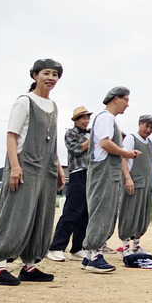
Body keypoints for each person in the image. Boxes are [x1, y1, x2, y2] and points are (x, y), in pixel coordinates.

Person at [0, 59, 67, 285]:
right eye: (46, 73)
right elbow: (12, 135)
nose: (51, 78)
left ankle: (30, 265)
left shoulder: (54, 106)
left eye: (55, 75)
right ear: (34, 75)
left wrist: (59, 168)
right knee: (17, 213)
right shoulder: (25, 102)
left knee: (41, 216)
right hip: (25, 165)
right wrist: (15, 166)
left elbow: (53, 142)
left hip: (47, 168)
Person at [81, 86, 141, 274]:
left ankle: (90, 255)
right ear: (116, 98)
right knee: (102, 211)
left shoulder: (110, 120)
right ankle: (95, 253)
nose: (127, 104)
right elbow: (105, 143)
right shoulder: (106, 118)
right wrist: (126, 153)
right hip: (103, 172)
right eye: (126, 100)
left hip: (108, 171)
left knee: (105, 211)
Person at [47, 106, 93, 262]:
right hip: (77, 173)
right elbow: (77, 149)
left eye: (87, 118)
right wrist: (93, 139)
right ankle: (56, 247)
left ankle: (77, 248)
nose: (86, 121)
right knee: (72, 211)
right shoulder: (70, 133)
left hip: (91, 174)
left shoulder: (91, 133)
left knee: (86, 213)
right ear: (76, 120)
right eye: (83, 118)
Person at [118, 115, 152, 256]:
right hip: (134, 180)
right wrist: (127, 178)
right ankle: (125, 246)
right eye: (147, 126)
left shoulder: (149, 142)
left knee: (143, 214)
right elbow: (123, 158)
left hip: (146, 182)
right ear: (140, 124)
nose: (148, 130)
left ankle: (136, 245)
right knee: (129, 212)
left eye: (151, 128)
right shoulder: (131, 138)